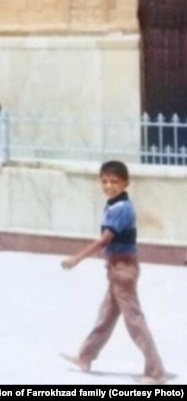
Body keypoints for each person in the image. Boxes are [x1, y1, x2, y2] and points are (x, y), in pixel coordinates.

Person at [60, 160, 167, 385]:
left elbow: (105, 240)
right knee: (106, 317)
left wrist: (76, 259)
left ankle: (156, 371)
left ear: (126, 183)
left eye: (114, 182)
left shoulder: (121, 209)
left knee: (134, 321)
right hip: (116, 268)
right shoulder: (114, 205)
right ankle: (85, 357)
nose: (109, 186)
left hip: (123, 270)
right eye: (105, 181)